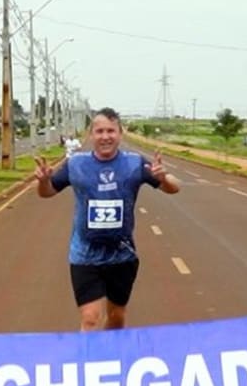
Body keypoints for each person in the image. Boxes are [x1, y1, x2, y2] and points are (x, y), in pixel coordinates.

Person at [34, 107, 180, 331]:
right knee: (90, 318)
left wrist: (163, 178)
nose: (105, 137)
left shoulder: (134, 163)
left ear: (120, 134)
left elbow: (174, 187)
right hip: (84, 255)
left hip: (122, 255)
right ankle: (89, 353)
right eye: (100, 131)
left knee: (117, 316)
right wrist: (43, 181)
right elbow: (47, 192)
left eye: (111, 131)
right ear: (91, 134)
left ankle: (111, 349)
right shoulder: (76, 164)